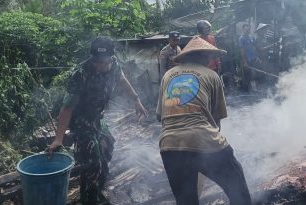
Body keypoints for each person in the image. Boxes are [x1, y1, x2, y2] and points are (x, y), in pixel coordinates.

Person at [49, 36, 148, 205]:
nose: (99, 65)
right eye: (96, 61)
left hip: (97, 118)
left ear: (111, 57)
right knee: (92, 162)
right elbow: (67, 109)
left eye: (103, 61)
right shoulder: (80, 74)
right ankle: (89, 200)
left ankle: (99, 191)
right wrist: (58, 139)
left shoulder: (115, 65)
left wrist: (136, 100)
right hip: (80, 121)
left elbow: (123, 80)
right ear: (91, 57)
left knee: (107, 147)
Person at [156, 36, 252, 205]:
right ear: (203, 57)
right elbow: (216, 120)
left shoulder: (168, 75)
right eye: (209, 57)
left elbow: (160, 116)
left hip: (169, 144)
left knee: (186, 201)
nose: (210, 60)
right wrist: (207, 154)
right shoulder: (212, 75)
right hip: (202, 139)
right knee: (238, 189)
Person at [238, 23, 259, 90]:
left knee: (255, 74)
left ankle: (255, 89)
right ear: (243, 30)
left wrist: (257, 57)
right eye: (246, 30)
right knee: (248, 75)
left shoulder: (251, 37)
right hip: (247, 59)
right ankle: (248, 91)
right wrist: (245, 62)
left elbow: (254, 48)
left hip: (254, 58)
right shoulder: (241, 39)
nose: (248, 31)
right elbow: (242, 51)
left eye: (249, 29)